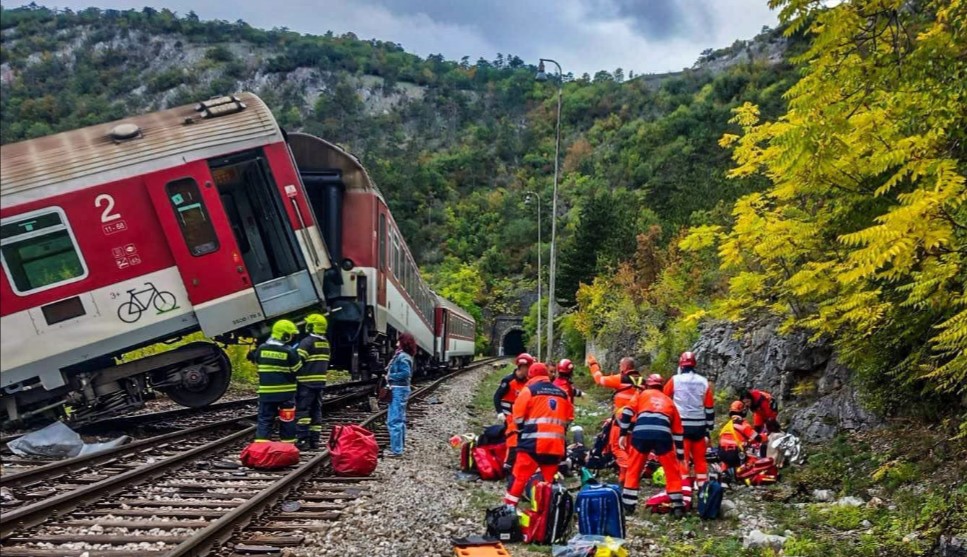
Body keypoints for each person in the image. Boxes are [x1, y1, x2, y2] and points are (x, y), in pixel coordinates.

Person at [616, 373, 686, 517]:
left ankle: (628, 506)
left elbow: (627, 411)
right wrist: (680, 453)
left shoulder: (642, 394)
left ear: (648, 384)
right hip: (663, 435)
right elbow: (678, 431)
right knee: (671, 471)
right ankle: (678, 506)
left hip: (641, 434)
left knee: (634, 469)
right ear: (661, 386)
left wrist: (623, 433)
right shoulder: (669, 401)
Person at [502, 363, 571, 508]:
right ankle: (545, 515)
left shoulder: (528, 390)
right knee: (547, 483)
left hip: (532, 444)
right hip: (555, 446)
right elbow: (569, 418)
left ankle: (508, 509)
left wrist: (522, 432)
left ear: (531, 376)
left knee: (519, 478)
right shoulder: (563, 393)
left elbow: (518, 417)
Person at [587, 354, 644, 485]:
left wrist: (593, 365)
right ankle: (624, 480)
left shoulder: (620, 378)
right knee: (629, 449)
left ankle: (631, 470)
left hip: (621, 420)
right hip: (637, 421)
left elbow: (599, 379)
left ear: (624, 367)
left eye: (620, 365)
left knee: (617, 448)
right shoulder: (643, 381)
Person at [663, 351, 714, 488]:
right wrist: (709, 428)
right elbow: (709, 407)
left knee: (682, 458)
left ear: (681, 364)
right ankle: (703, 487)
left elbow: (664, 399)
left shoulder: (675, 380)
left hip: (681, 425)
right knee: (700, 459)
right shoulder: (704, 382)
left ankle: (685, 488)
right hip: (699, 426)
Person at [249, 319, 302, 444]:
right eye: (291, 334)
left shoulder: (261, 349)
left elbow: (257, 363)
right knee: (287, 421)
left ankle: (261, 448)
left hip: (266, 394)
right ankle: (288, 447)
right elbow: (298, 370)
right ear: (285, 335)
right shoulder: (289, 351)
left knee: (265, 420)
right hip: (286, 395)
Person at [295, 314, 330, 450]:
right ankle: (315, 440)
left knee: (303, 411)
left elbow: (298, 361)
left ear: (312, 326)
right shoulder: (325, 342)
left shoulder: (307, 342)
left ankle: (303, 440)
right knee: (316, 410)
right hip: (319, 382)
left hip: (305, 382)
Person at [495, 353, 533, 476]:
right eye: (528, 367)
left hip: (522, 416)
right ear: (521, 367)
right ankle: (508, 466)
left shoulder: (528, 382)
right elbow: (497, 396)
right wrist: (500, 412)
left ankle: (520, 462)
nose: (529, 370)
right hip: (509, 415)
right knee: (513, 439)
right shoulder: (508, 381)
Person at [385, 333, 416, 457]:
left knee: (394, 420)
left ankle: (396, 450)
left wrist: (390, 377)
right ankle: (399, 446)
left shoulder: (402, 357)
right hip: (401, 389)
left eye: (399, 341)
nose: (396, 343)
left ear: (403, 342)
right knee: (400, 419)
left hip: (398, 389)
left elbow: (405, 373)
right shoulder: (404, 355)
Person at [718, 401, 760, 470]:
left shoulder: (727, 426)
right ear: (742, 411)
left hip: (722, 454)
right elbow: (757, 438)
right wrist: (765, 437)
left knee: (727, 463)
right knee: (753, 457)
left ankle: (725, 474)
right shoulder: (744, 425)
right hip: (735, 454)